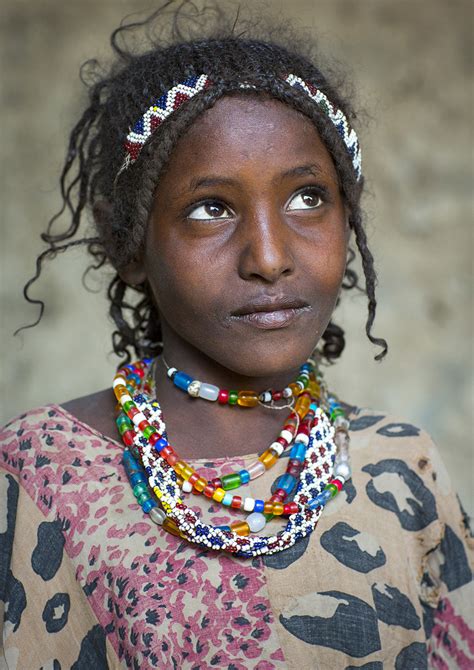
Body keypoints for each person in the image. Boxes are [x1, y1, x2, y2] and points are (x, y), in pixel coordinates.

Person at [1, 5, 472, 669]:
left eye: (308, 197)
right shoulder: (41, 470)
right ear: (125, 243)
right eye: (211, 208)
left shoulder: (398, 468)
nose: (270, 256)